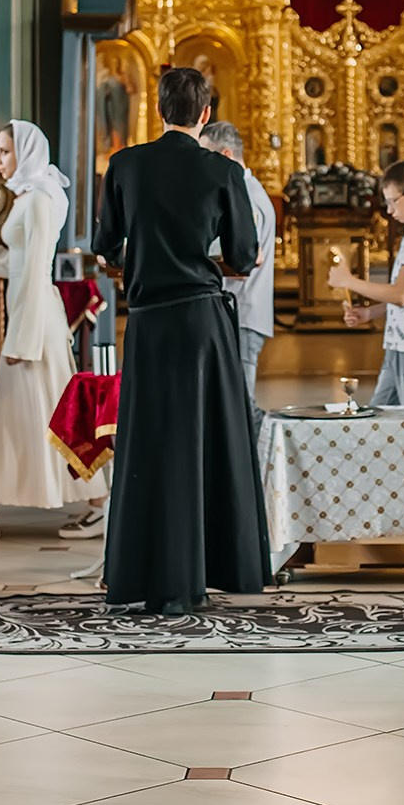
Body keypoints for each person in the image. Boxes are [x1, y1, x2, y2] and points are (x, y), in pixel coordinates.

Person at [93, 66, 265, 615]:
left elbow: (106, 247)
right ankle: (209, 570)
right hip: (202, 324)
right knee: (204, 440)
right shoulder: (224, 170)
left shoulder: (124, 165)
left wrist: (146, 254)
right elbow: (243, 257)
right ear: (206, 114)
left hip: (147, 324)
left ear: (158, 110)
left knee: (151, 443)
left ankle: (145, 573)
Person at [0, 122, 108, 542]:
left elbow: (33, 273)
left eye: (5, 151)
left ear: (26, 153)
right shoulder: (29, 198)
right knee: (30, 416)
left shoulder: (38, 202)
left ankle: (95, 505)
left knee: (50, 416)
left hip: (35, 325)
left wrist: (22, 341)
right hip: (32, 319)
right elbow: (16, 263)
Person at [328, 160, 404, 407]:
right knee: (379, 417)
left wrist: (349, 281)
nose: (390, 211)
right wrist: (370, 313)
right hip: (400, 345)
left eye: (393, 201)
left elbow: (400, 294)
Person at [199, 121, 274, 434]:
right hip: (240, 310)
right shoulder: (243, 191)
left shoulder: (246, 197)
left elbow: (243, 260)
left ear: (226, 155)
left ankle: (265, 455)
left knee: (241, 404)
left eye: (207, 156)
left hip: (243, 311)